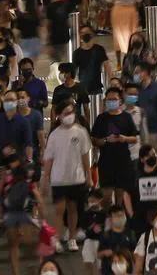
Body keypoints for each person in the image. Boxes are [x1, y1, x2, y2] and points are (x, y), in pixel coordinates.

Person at [42, 100, 92, 252]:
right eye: (66, 113)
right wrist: (46, 179)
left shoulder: (81, 132)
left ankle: (72, 238)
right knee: (59, 210)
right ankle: (56, 239)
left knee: (73, 209)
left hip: (76, 178)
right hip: (58, 179)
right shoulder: (54, 135)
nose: (69, 116)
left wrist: (88, 175)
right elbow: (48, 159)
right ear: (59, 116)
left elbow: (85, 156)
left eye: (71, 112)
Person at [92, 87, 139, 210]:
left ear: (120, 101)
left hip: (122, 161)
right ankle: (106, 219)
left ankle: (118, 219)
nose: (112, 101)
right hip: (106, 162)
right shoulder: (101, 118)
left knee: (120, 197)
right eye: (109, 99)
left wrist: (124, 139)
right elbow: (94, 140)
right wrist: (107, 140)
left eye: (114, 99)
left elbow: (134, 138)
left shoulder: (126, 117)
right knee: (106, 197)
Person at [108, 0, 142, 65]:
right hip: (131, 12)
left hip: (117, 12)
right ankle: (131, 60)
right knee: (131, 36)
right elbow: (139, 1)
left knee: (117, 37)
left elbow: (109, 1)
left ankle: (119, 62)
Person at [134, 63, 157, 148]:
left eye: (137, 72)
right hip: (137, 131)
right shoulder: (135, 88)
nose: (135, 75)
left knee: (151, 157)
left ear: (146, 72)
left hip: (153, 130)